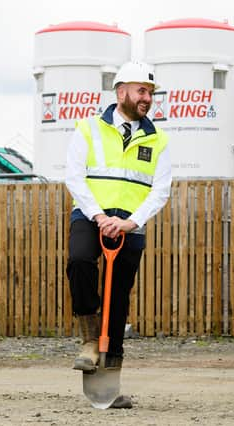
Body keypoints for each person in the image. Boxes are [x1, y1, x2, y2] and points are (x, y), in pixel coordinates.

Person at [64, 60, 171, 408]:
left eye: (151, 93)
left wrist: (130, 222)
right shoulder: (89, 128)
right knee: (79, 260)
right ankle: (89, 340)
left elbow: (161, 190)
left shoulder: (157, 139)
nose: (147, 98)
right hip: (90, 215)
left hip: (130, 226)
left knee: (118, 299)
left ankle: (107, 388)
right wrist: (99, 215)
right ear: (121, 91)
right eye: (141, 91)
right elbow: (74, 177)